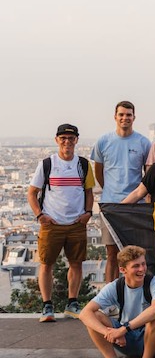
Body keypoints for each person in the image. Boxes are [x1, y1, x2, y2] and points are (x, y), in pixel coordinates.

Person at [27, 123, 95, 321]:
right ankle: (47, 305)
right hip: (52, 223)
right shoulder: (47, 164)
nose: (67, 142)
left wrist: (88, 213)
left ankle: (72, 303)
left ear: (76, 140)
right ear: (57, 140)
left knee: (76, 264)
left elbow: (89, 191)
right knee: (46, 264)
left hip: (76, 223)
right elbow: (32, 193)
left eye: (71, 138)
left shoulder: (83, 165)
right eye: (63, 138)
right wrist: (40, 216)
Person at [78, 245, 155, 358]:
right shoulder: (115, 286)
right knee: (94, 316)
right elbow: (85, 313)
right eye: (136, 266)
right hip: (124, 339)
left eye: (143, 264)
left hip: (150, 337)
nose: (142, 269)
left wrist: (123, 329)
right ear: (122, 270)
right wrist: (110, 333)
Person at [93, 101, 151, 282]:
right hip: (111, 205)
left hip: (136, 205)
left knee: (136, 254)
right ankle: (110, 294)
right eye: (121, 114)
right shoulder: (103, 141)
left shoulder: (143, 142)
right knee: (112, 253)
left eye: (128, 115)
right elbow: (99, 171)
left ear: (134, 117)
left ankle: (136, 293)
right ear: (115, 117)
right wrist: (109, 190)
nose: (125, 118)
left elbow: (147, 175)